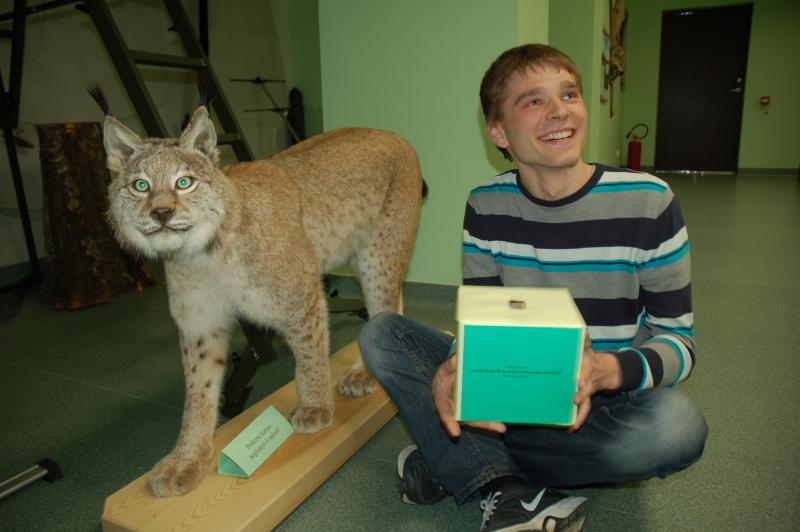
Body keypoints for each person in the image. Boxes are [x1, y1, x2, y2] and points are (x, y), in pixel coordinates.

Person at [358, 44, 707, 532]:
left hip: (601, 403)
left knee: (677, 427)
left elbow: (679, 344)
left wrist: (605, 371)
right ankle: (504, 486)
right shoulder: (486, 204)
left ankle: (462, 463)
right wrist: (454, 371)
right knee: (382, 333)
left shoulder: (649, 201)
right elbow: (484, 322)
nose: (559, 110)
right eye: (534, 101)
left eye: (569, 94)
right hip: (511, 388)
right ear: (499, 132)